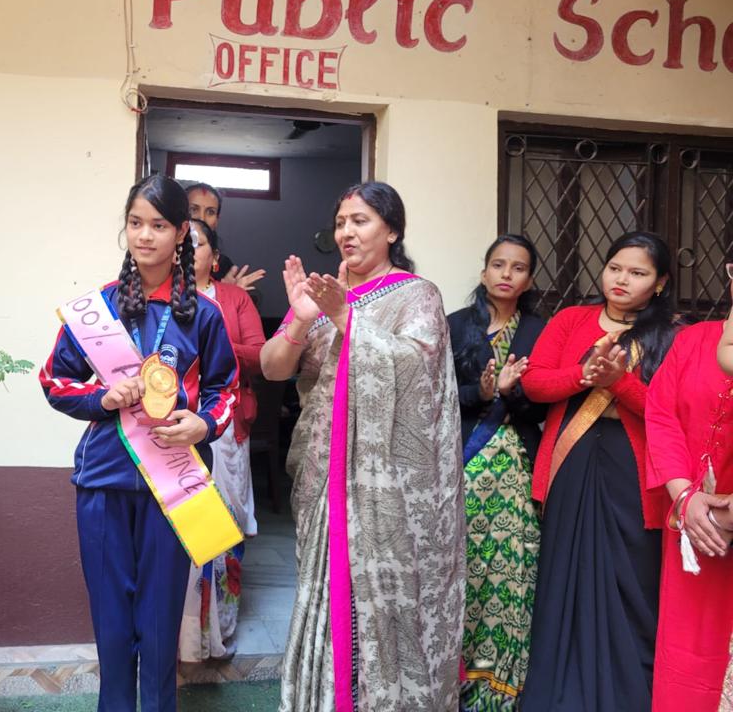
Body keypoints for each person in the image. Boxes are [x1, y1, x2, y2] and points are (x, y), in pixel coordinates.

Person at [260, 181, 464, 711]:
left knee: (381, 601)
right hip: (323, 474)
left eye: (360, 221)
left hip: (387, 489)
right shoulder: (322, 292)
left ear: (392, 230)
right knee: (325, 593)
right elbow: (273, 368)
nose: (346, 232)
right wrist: (302, 316)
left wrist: (344, 317)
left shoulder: (416, 295)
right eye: (341, 222)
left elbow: (418, 371)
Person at [40, 174, 239, 712]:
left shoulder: (204, 314)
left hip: (174, 486)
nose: (145, 235)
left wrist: (203, 425)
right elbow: (54, 381)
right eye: (135, 223)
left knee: (159, 622)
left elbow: (225, 391)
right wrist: (102, 397)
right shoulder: (97, 309)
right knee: (111, 622)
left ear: (181, 234)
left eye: (158, 225)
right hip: (103, 480)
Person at [520, 231, 678, 711]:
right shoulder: (571, 319)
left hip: (634, 471)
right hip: (573, 463)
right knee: (564, 573)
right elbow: (535, 383)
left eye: (637, 273)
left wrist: (619, 382)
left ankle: (630, 695)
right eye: (615, 268)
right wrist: (584, 375)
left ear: (660, 283)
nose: (621, 280)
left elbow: (669, 413)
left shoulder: (672, 335)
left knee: (633, 580)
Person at [448, 234, 546, 710]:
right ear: (484, 271)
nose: (507, 274)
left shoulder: (541, 332)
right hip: (460, 467)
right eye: (499, 265)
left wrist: (510, 393)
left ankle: (498, 688)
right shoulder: (453, 325)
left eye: (518, 267)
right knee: (460, 567)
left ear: (529, 279)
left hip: (518, 471)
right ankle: (450, 679)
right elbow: (433, 397)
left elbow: (544, 405)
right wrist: (482, 393)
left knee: (511, 572)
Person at [646, 260, 733, 711]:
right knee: (686, 649)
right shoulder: (694, 340)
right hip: (692, 527)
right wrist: (685, 497)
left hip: (722, 520)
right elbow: (662, 416)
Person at [178, 218, 266, 662]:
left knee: (224, 525)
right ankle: (180, 640)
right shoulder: (157, 299)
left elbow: (260, 354)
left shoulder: (233, 299)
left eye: (198, 243)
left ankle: (220, 634)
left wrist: (215, 341)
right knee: (180, 529)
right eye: (184, 241)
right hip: (172, 432)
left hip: (226, 429)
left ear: (213, 257)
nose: (188, 249)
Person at [186, 182, 265, 291]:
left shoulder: (223, 266)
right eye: (193, 209)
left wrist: (230, 295)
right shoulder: (166, 252)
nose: (202, 218)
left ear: (217, 221)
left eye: (210, 212)